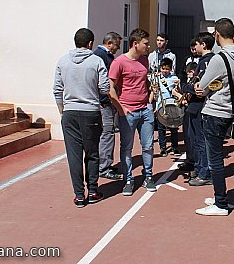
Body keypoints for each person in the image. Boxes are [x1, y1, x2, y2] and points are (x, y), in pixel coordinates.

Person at [194, 18, 234, 216]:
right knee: (216, 157)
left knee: (214, 160)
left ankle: (221, 203)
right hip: (229, 111)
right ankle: (219, 196)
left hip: (215, 111)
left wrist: (204, 88)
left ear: (216, 34)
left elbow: (202, 86)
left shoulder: (219, 59)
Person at [53, 28, 110, 207]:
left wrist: (63, 110)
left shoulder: (63, 61)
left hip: (70, 113)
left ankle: (79, 195)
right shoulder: (96, 61)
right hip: (91, 111)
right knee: (92, 153)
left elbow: (57, 89)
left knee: (74, 155)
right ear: (90, 43)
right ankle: (92, 191)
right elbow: (105, 87)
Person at [108, 29, 157, 195]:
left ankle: (148, 176)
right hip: (128, 112)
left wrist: (150, 97)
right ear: (135, 44)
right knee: (127, 148)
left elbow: (146, 82)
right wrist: (122, 109)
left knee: (148, 146)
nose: (148, 46)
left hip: (145, 110)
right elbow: (110, 89)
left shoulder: (144, 60)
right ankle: (128, 179)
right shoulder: (119, 62)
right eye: (145, 43)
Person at [182, 32, 215, 187]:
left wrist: (184, 87)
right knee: (194, 139)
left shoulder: (208, 62)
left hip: (200, 107)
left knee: (200, 141)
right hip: (194, 107)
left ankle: (204, 172)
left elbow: (200, 87)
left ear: (203, 44)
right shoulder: (203, 61)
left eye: (197, 44)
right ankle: (198, 167)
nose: (194, 47)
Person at [93, 32, 124, 181]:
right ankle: (103, 167)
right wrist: (106, 99)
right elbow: (102, 80)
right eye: (117, 45)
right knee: (107, 133)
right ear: (109, 43)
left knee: (108, 133)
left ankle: (105, 164)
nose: (117, 49)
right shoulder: (101, 56)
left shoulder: (104, 56)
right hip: (104, 102)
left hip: (105, 101)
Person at [153, 57, 181, 156]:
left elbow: (178, 91)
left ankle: (175, 147)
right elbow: (154, 92)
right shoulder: (157, 78)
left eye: (167, 69)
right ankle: (163, 147)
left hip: (172, 106)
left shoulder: (174, 78)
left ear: (171, 69)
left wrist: (178, 86)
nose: (165, 71)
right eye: (163, 68)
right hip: (161, 106)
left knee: (173, 128)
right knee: (161, 128)